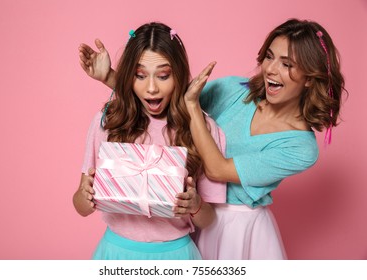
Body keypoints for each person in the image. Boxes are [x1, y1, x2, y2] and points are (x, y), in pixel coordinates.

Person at [78, 18, 347, 259]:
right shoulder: (231, 89)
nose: (271, 70)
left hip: (237, 226)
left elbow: (216, 167)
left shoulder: (300, 147)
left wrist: (193, 107)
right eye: (269, 57)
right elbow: (165, 106)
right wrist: (112, 78)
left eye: (287, 64)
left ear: (311, 77)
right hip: (183, 218)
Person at [73, 22, 226, 260]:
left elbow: (209, 218)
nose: (152, 88)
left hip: (176, 255)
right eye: (140, 76)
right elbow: (80, 207)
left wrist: (194, 204)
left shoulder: (202, 128)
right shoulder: (108, 121)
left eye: (163, 76)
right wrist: (85, 196)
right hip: (115, 253)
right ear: (128, 76)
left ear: (179, 75)